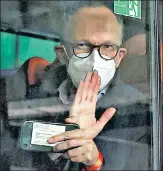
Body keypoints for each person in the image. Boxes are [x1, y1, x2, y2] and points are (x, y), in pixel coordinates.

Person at [3, 4, 149, 171]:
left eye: (108, 46)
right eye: (82, 45)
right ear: (62, 54)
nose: (95, 59)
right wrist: (61, 144)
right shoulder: (35, 99)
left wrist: (94, 162)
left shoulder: (139, 111)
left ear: (119, 57)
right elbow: (11, 159)